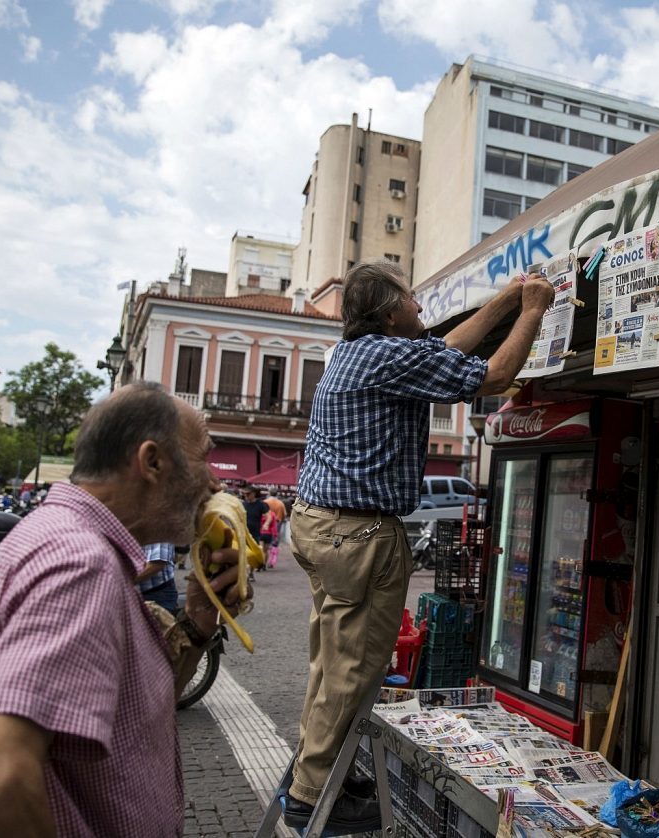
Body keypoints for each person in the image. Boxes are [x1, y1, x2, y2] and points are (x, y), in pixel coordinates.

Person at [285, 260, 554, 830]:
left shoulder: (362, 354)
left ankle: (312, 768)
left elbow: (447, 348)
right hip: (358, 533)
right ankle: (312, 798)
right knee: (353, 668)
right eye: (411, 301)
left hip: (322, 524)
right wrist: (532, 311)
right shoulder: (386, 356)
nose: (421, 308)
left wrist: (506, 300)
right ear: (388, 313)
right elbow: (495, 377)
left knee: (330, 660)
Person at [0, 382, 248, 837]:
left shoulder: (59, 538)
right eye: (203, 457)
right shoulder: (80, 565)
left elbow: (129, 713)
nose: (213, 482)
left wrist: (196, 618)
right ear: (152, 462)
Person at [137, 542, 180, 612]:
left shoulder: (157, 532)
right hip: (137, 593)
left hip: (157, 594)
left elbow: (156, 564)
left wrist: (126, 581)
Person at [239, 485, 269, 570]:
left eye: (248, 494)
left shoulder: (260, 504)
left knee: (252, 553)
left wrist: (266, 523)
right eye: (244, 494)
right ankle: (245, 571)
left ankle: (251, 572)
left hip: (255, 533)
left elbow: (268, 515)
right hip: (243, 532)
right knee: (243, 552)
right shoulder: (243, 504)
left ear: (254, 494)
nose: (246, 496)